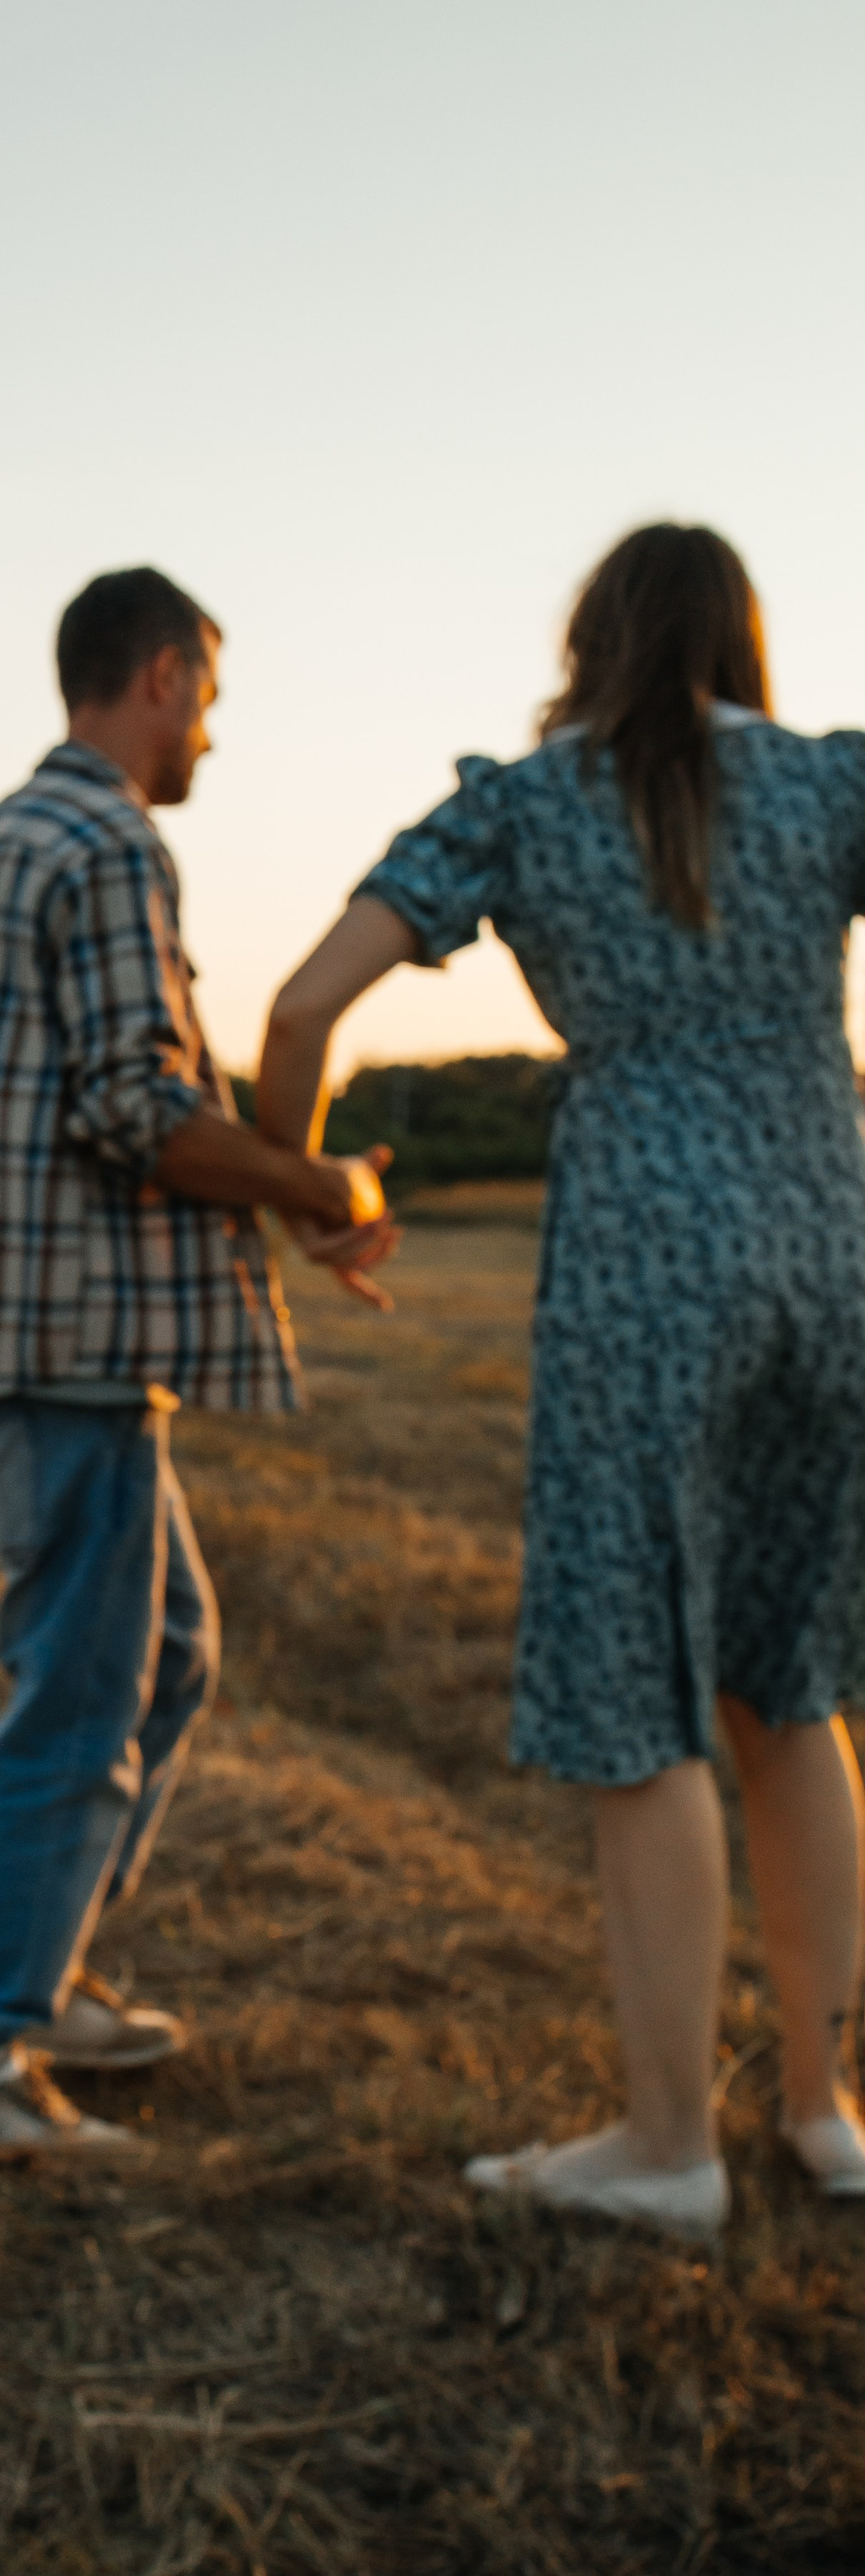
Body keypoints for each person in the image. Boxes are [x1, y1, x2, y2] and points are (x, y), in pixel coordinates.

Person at [258, 521, 865, 2238]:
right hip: (829, 1243)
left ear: (586, 638)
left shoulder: (520, 802)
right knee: (791, 1686)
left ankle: (670, 2143)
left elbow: (305, 1009)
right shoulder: (831, 783)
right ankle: (824, 2111)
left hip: (637, 1267)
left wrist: (311, 1191)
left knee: (637, 1706)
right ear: (737, 637)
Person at [0, 567, 396, 2151]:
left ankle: (38, 1977)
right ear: (158, 676)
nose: (212, 736)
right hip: (63, 1348)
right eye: (209, 698)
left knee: (163, 1656)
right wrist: (321, 1187)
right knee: (82, 1697)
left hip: (9, 1340)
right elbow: (131, 1108)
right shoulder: (106, 841)